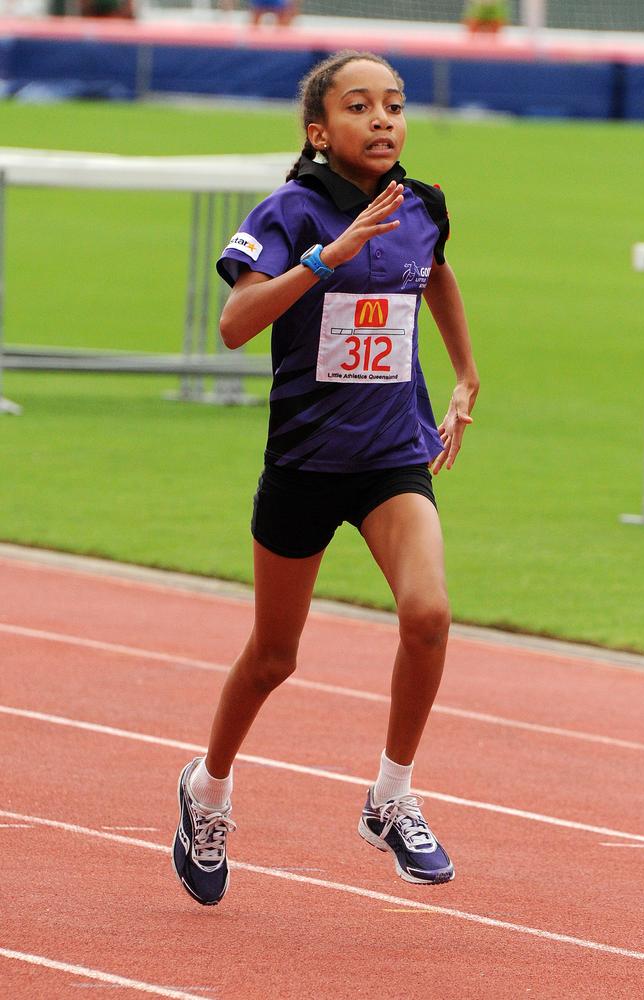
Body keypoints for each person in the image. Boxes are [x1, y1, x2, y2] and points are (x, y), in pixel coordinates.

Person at [173, 49, 479, 906]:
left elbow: (437, 273)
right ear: (320, 130)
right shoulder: (289, 212)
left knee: (428, 617)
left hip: (390, 458)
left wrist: (464, 373)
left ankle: (391, 797)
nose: (382, 119)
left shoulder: (422, 206)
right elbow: (234, 325)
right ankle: (208, 788)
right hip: (306, 464)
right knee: (274, 657)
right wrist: (325, 257)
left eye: (395, 104)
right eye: (359, 106)